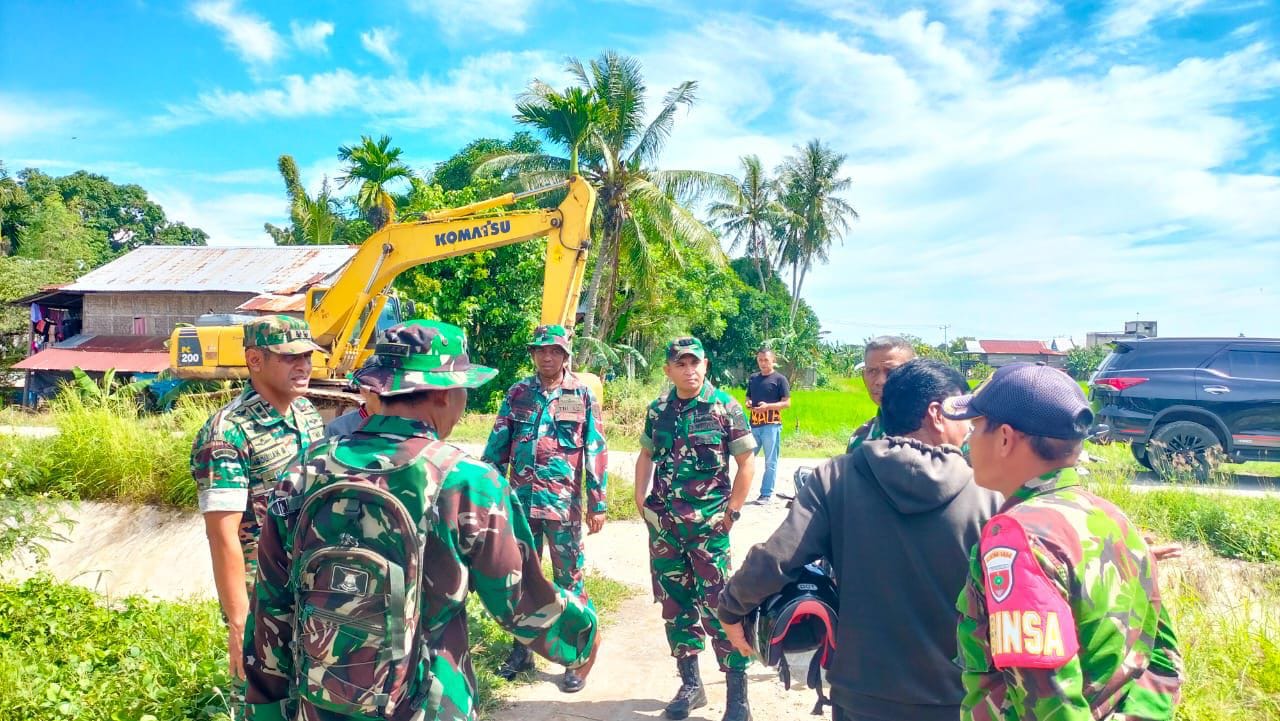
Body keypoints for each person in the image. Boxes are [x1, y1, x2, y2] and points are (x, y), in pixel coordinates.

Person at [244, 320, 601, 721]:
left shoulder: (305, 471)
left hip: (325, 702)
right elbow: (518, 601)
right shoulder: (466, 481)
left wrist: (266, 706)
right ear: (447, 395)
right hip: (427, 702)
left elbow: (271, 602)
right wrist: (581, 638)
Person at [719, 359, 1003, 721]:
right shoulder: (989, 494)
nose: (970, 426)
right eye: (963, 412)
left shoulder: (835, 478)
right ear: (936, 414)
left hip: (861, 694)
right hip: (958, 696)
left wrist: (730, 608)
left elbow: (777, 558)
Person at [945, 363, 1184, 720]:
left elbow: (1046, 698)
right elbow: (1162, 655)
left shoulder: (1016, 537)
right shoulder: (1111, 517)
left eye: (977, 426)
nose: (968, 439)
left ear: (1006, 438)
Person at [190, 314, 327, 709]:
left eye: (307, 356)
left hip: (313, 587)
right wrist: (239, 622)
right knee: (261, 701)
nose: (303, 366)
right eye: (289, 357)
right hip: (262, 596)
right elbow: (222, 535)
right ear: (254, 360)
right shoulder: (228, 432)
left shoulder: (308, 416)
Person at [635, 336, 757, 721]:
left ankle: (738, 698)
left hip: (708, 531)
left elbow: (747, 462)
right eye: (681, 364)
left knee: (720, 608)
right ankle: (691, 685)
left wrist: (732, 513)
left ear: (706, 365)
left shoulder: (725, 406)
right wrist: (641, 503)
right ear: (668, 370)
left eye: (696, 363)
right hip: (666, 530)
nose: (690, 371)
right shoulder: (659, 410)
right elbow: (645, 456)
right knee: (675, 608)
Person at [482, 323, 608, 692]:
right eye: (540, 350)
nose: (547, 356)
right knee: (520, 579)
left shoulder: (581, 394)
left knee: (570, 581)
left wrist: (597, 503)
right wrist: (488, 496)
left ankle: (575, 657)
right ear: (533, 354)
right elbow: (496, 448)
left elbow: (595, 450)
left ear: (566, 354)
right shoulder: (518, 393)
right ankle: (522, 651)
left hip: (563, 505)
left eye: (554, 350)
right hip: (520, 505)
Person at [846, 336, 916, 453]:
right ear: (864, 378)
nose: (880, 381)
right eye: (872, 371)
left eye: (891, 371)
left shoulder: (940, 431)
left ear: (914, 374)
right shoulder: (860, 439)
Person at [745, 348, 790, 505]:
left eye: (766, 360)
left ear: (773, 361)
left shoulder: (780, 379)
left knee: (770, 461)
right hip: (754, 424)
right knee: (747, 459)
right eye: (760, 360)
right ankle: (741, 492)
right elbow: (748, 396)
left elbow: (787, 403)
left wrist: (768, 407)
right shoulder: (753, 378)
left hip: (771, 425)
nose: (762, 363)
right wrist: (748, 403)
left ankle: (766, 494)